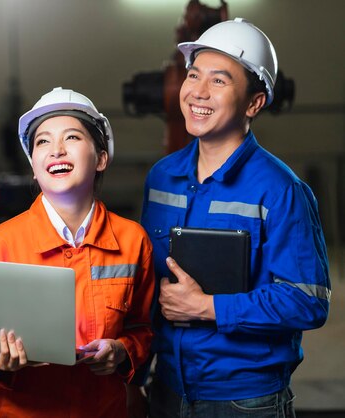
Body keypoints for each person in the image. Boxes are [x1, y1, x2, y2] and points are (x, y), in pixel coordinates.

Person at [140, 18, 331, 417]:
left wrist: (207, 308)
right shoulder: (162, 178)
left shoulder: (280, 190)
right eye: (194, 75)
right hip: (167, 390)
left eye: (220, 81)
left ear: (254, 103)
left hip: (245, 400)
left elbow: (307, 301)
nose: (198, 92)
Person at [0, 87, 155, 417]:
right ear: (34, 168)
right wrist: (2, 362)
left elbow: (144, 329)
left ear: (101, 158)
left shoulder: (132, 240)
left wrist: (122, 351)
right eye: (43, 142)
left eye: (73, 137)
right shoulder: (3, 241)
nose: (57, 150)